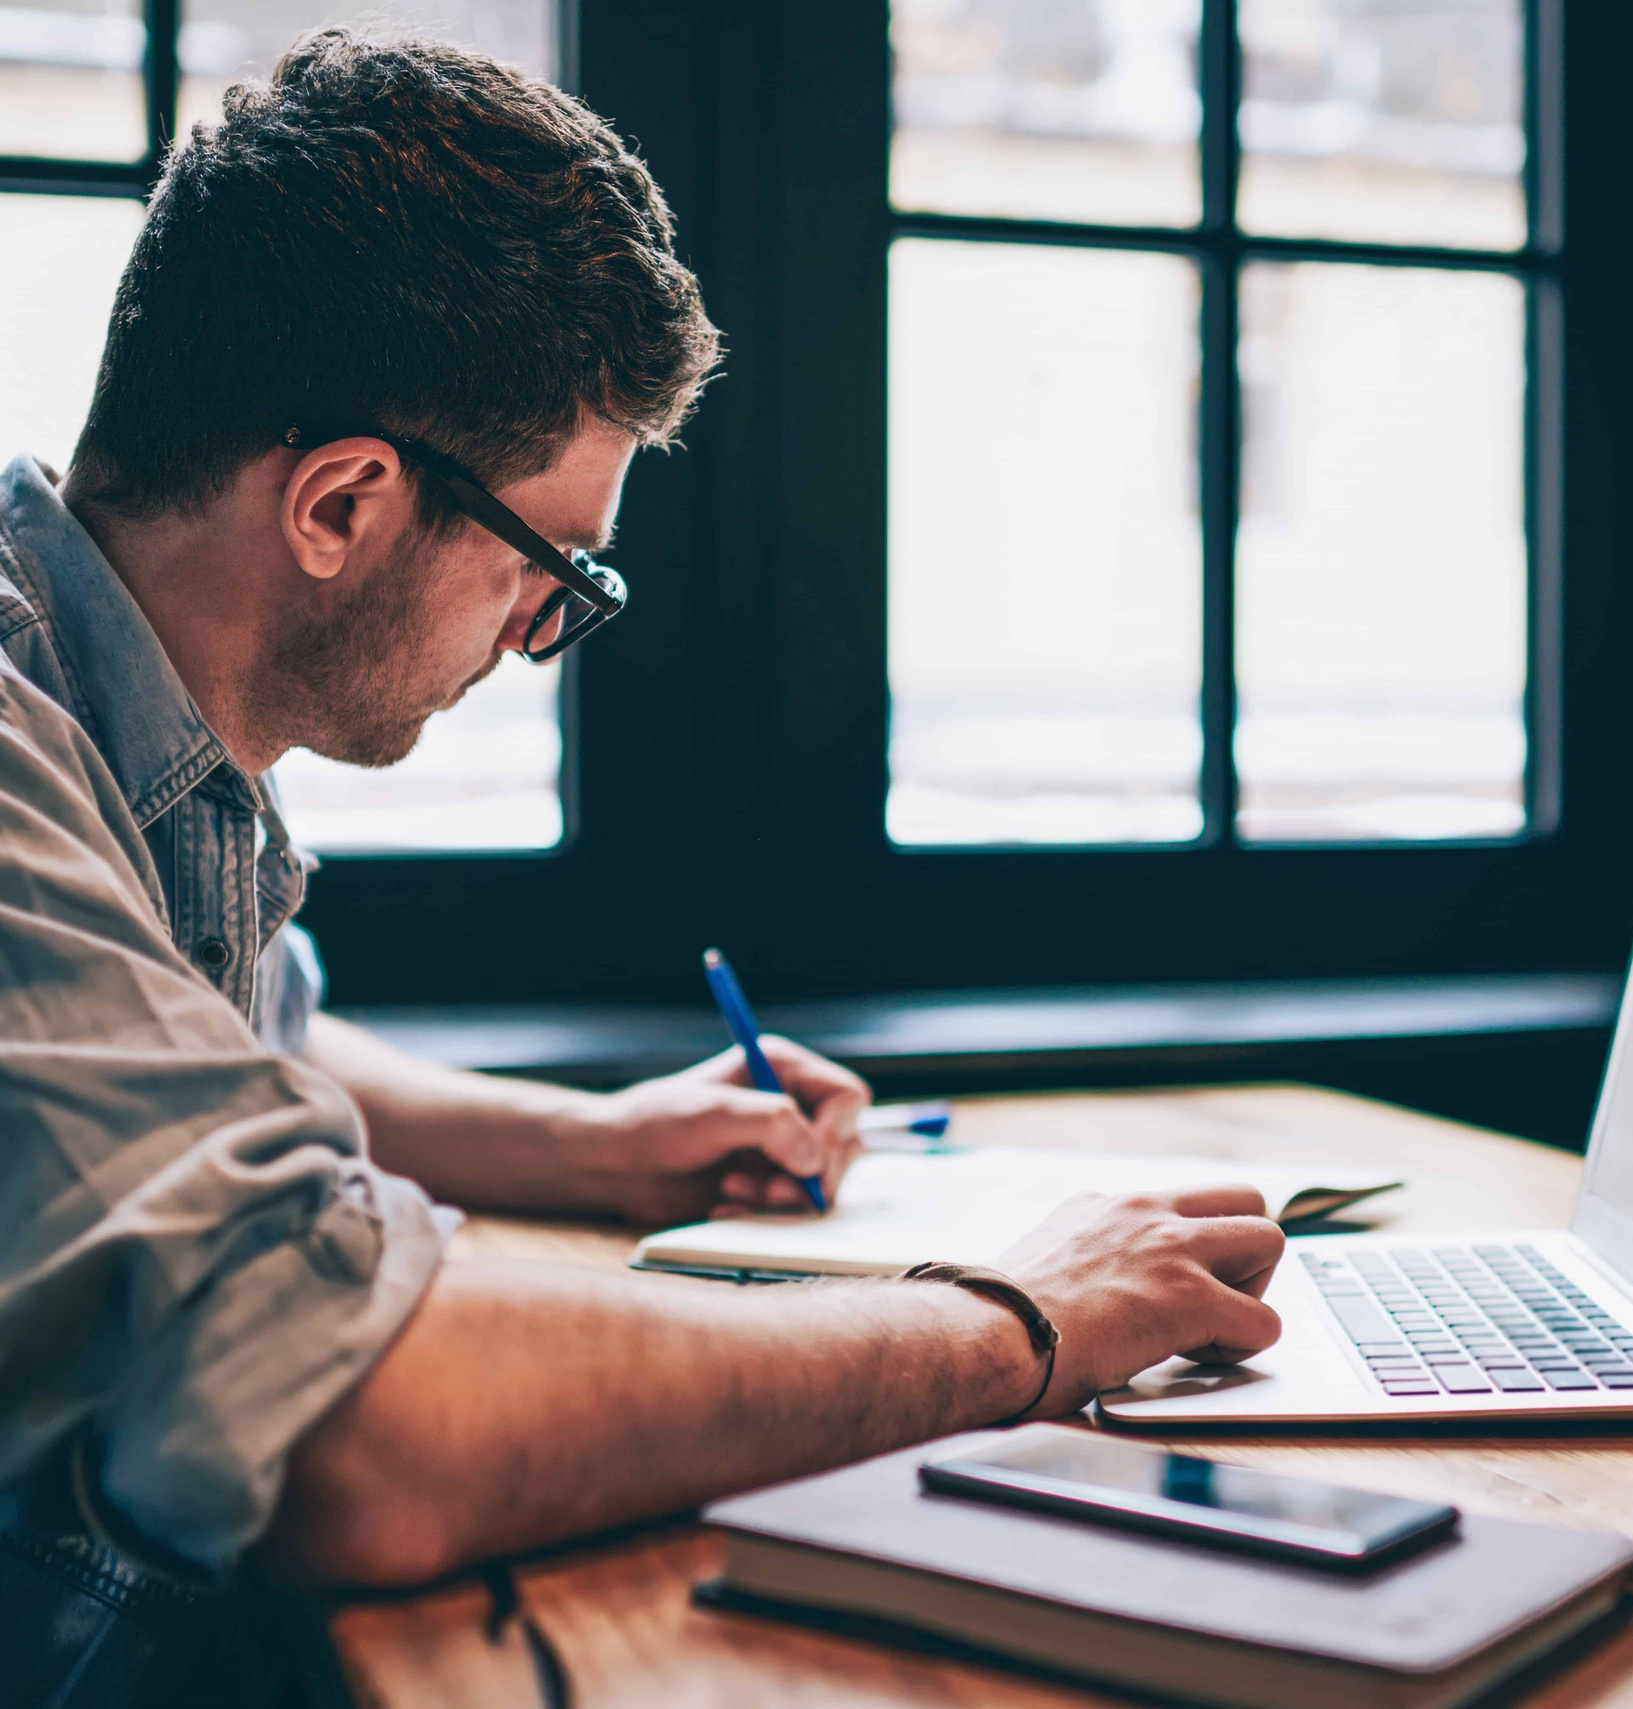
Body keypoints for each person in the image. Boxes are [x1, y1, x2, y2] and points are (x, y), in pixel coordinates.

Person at [0, 29, 1286, 1702]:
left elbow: (221, 1051)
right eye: (556, 563)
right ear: (338, 506)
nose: (545, 631)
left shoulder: (115, 720)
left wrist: (599, 1148)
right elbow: (363, 1430)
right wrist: (1019, 1318)